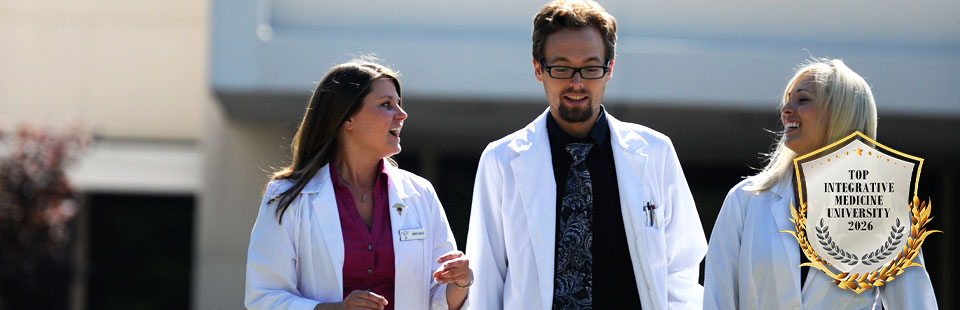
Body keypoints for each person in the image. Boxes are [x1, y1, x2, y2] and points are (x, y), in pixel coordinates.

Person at [464, 1, 707, 309]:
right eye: (562, 68)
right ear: (539, 69)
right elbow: (486, 279)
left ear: (610, 69)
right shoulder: (501, 160)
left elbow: (682, 270)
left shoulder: (656, 152)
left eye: (591, 68)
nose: (576, 83)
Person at [703, 59, 939, 309]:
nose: (786, 109)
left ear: (840, 114)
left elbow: (915, 304)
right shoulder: (745, 200)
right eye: (787, 99)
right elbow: (718, 300)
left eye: (802, 100)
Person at [245, 59, 473, 310]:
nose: (402, 114)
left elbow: (438, 301)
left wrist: (460, 282)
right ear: (347, 119)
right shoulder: (287, 196)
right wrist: (337, 309)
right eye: (387, 105)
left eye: (399, 103)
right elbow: (264, 299)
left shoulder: (421, 193)